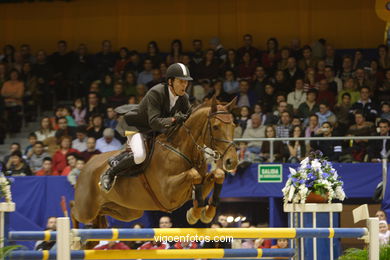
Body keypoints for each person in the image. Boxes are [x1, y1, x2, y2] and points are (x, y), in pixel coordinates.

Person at [100, 63, 192, 191]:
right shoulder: (157, 92)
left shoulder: (184, 98)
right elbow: (154, 121)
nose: (184, 85)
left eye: (186, 82)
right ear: (170, 81)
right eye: (181, 81)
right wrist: (174, 119)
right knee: (140, 156)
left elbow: (189, 118)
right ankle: (110, 173)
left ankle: (118, 158)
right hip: (137, 126)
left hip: (154, 129)